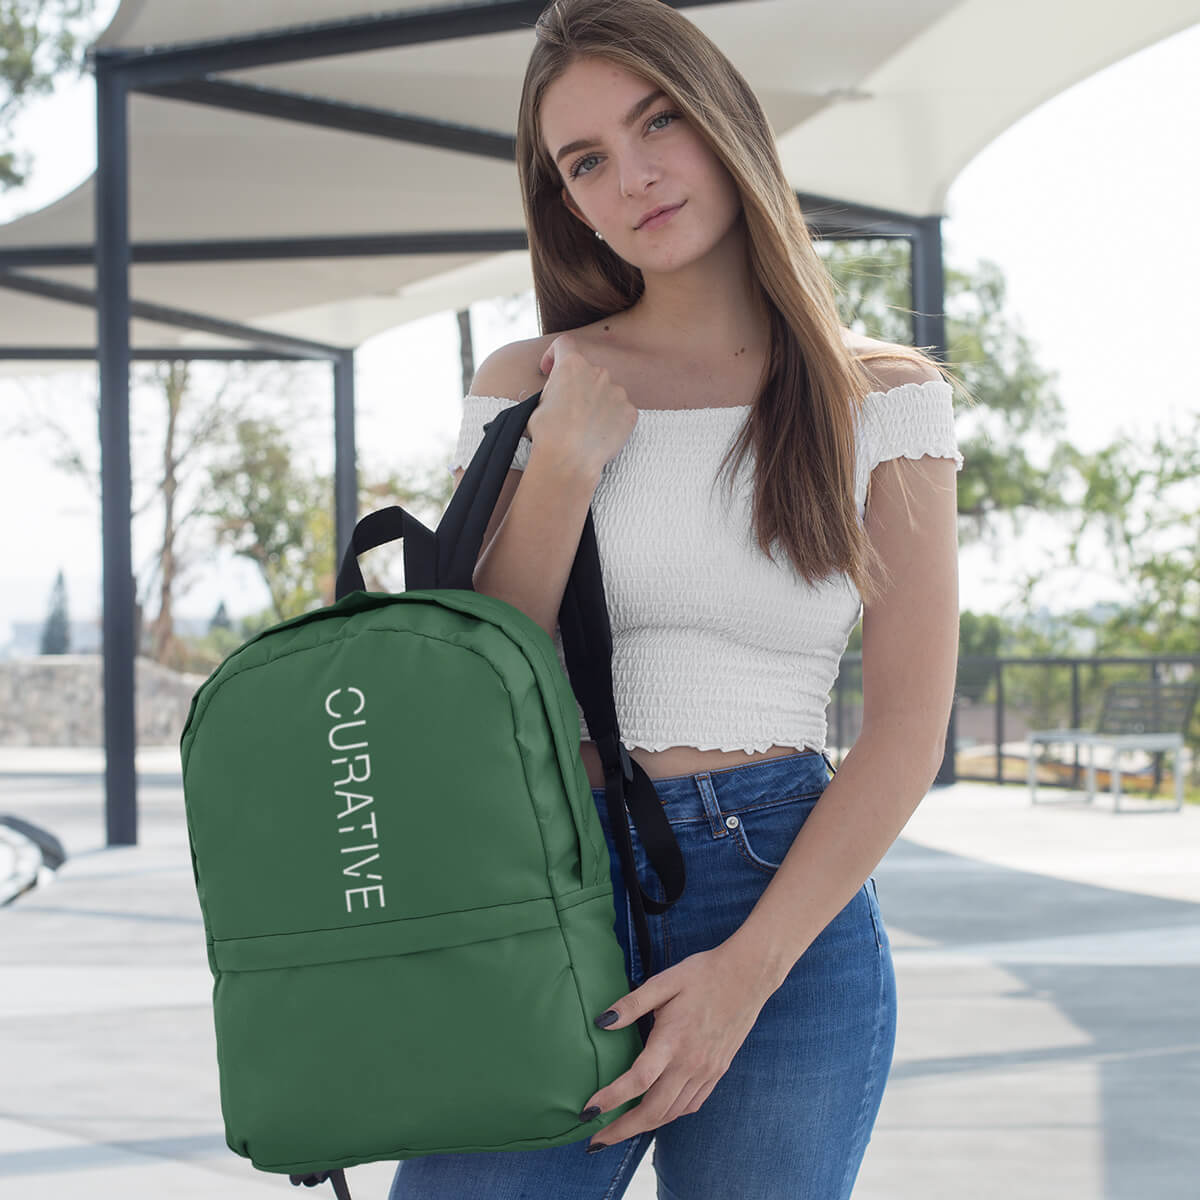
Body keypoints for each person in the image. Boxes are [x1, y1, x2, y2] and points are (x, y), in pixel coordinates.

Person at [389, 0, 966, 1196]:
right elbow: (480, 672)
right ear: (565, 202)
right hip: (548, 885)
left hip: (785, 898)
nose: (633, 176)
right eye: (585, 161)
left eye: (658, 123)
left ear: (723, 122)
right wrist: (562, 462)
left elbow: (907, 728)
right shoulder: (534, 379)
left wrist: (745, 974)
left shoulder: (879, 399)